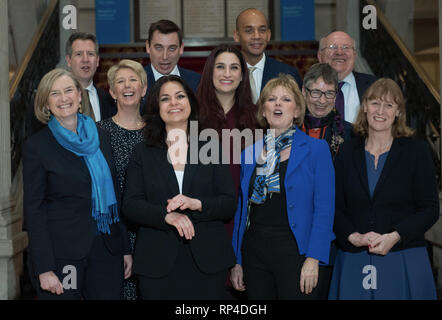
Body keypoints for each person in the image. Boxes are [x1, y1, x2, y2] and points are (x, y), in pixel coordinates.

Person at [122, 75, 237, 299]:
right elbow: (131, 205)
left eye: (180, 96)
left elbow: (229, 203)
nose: (174, 102)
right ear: (157, 108)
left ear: (191, 103)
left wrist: (198, 204)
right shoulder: (142, 152)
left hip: (208, 260)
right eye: (165, 99)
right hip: (157, 262)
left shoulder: (211, 145)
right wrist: (166, 216)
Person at [23, 68, 131, 300]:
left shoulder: (101, 136)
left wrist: (124, 249)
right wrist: (44, 267)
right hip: (62, 257)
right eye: (55, 93)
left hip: (106, 250)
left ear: (80, 96)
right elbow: (34, 210)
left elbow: (115, 193)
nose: (64, 98)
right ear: (45, 104)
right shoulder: (37, 147)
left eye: (69, 90)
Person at [329, 78, 439, 300]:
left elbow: (429, 209)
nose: (380, 111)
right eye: (375, 103)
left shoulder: (417, 152)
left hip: (403, 257)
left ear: (398, 112)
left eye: (389, 105)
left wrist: (396, 236)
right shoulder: (346, 152)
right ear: (365, 107)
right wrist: (352, 236)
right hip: (354, 258)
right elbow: (334, 207)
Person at [231, 74, 335, 299]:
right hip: (254, 253)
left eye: (286, 99)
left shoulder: (316, 150)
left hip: (296, 253)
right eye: (271, 99)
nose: (277, 104)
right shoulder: (249, 153)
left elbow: (324, 210)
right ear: (263, 110)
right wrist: (237, 261)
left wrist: (313, 258)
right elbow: (242, 210)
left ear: (297, 110)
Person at [97, 59, 147, 300]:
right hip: (114, 233)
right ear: (112, 91)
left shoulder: (158, 132)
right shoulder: (97, 134)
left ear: (144, 88)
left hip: (151, 230)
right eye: (120, 81)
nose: (127, 86)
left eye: (133, 80)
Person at [26, 32, 117, 137]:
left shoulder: (110, 100)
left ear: (97, 61)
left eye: (90, 54)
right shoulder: (46, 100)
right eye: (79, 54)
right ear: (69, 60)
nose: (85, 59)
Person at [196, 43, 257, 198]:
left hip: (244, 209)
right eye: (220, 67)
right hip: (203, 210)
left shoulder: (257, 117)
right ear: (210, 72)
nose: (227, 74)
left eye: (234, 67)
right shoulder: (193, 114)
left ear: (243, 75)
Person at [234, 8, 302, 103]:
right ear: (236, 36)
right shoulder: (226, 75)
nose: (257, 36)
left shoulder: (288, 74)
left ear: (269, 35)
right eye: (249, 31)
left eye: (262, 30)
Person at [317, 31, 377, 123]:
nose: (339, 52)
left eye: (346, 47)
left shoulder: (374, 86)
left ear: (354, 55)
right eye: (333, 47)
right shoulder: (306, 88)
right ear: (320, 56)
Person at [301, 63, 352, 160]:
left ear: (336, 96)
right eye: (316, 92)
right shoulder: (286, 128)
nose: (322, 101)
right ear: (304, 91)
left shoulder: (350, 133)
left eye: (329, 93)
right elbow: (266, 171)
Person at [144, 19, 200, 98]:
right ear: (148, 47)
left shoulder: (197, 82)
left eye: (172, 48)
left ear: (181, 48)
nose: (165, 56)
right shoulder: (136, 83)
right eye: (159, 48)